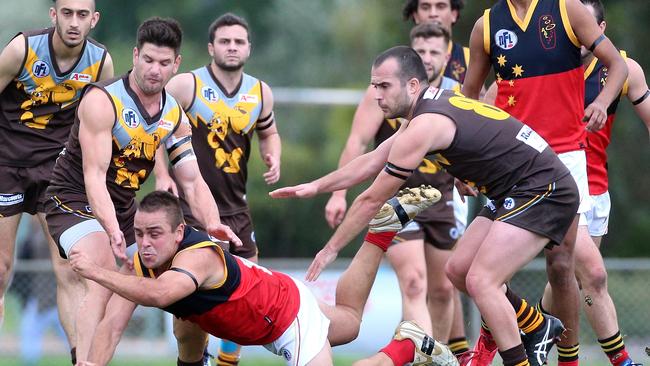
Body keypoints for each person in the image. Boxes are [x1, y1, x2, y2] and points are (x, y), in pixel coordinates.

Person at [270, 46, 577, 366]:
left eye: (384, 86)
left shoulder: (425, 125)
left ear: (413, 85)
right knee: (458, 272)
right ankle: (535, 324)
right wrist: (317, 186)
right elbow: (373, 160)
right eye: (374, 85)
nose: (376, 95)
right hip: (514, 190)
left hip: (543, 188)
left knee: (481, 281)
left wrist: (330, 249)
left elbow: (371, 199)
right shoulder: (426, 110)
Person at [69, 189, 458, 366]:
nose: (145, 243)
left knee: (179, 312)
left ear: (178, 232)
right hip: (277, 303)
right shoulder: (144, 263)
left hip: (287, 317)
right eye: (139, 234)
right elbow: (113, 325)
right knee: (351, 322)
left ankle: (406, 349)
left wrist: (93, 271)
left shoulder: (198, 256)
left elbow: (158, 294)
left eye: (154, 234)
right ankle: (381, 232)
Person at [43, 17, 240, 365]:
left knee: (182, 272)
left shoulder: (174, 115)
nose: (155, 70)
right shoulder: (103, 101)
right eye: (148, 60)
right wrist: (111, 230)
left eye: (164, 63)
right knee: (103, 272)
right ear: (135, 56)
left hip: (124, 211)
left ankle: (194, 360)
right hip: (72, 201)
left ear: (176, 64)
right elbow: (94, 176)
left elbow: (192, 181)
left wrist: (213, 223)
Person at [460, 0, 628, 365]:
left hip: (565, 159)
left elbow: (618, 65)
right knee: (464, 270)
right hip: (513, 160)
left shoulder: (568, 10)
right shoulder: (486, 26)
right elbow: (468, 97)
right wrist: (464, 163)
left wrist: (600, 101)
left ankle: (568, 358)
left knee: (565, 266)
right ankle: (530, 324)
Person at [324, 21, 466, 351]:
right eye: (421, 51)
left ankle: (436, 355)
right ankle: (416, 356)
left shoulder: (454, 96)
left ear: (447, 55)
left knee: (443, 289)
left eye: (435, 51)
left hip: (442, 199)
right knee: (415, 283)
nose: (428, 57)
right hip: (397, 202)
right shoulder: (383, 93)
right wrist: (338, 194)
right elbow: (358, 141)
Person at [154, 13, 281, 366]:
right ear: (211, 47)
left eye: (239, 41)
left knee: (246, 300)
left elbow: (269, 132)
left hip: (236, 209)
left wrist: (273, 156)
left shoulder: (260, 92)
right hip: (191, 210)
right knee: (186, 314)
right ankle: (193, 361)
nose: (232, 47)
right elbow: (153, 126)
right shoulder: (186, 86)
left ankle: (226, 363)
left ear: (249, 48)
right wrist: (162, 174)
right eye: (224, 41)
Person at [538, 2, 649, 365]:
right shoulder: (547, 63)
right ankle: (622, 361)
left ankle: (531, 329)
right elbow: (494, 99)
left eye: (584, 22)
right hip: (559, 187)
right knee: (594, 277)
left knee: (566, 275)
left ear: (599, 26)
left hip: (596, 189)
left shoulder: (623, 68)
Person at [0, 0, 112, 361]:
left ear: (93, 19)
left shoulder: (99, 62)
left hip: (57, 171)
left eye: (82, 15)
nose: (74, 22)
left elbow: (102, 122)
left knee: (69, 266)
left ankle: (81, 358)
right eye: (67, 13)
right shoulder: (22, 49)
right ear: (54, 15)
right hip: (8, 164)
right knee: (1, 268)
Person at [402, 0, 468, 83]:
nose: (433, 14)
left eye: (441, 6)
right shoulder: (398, 62)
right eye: (425, 7)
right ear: (415, 16)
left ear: (454, 14)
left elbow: (479, 95)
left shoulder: (469, 58)